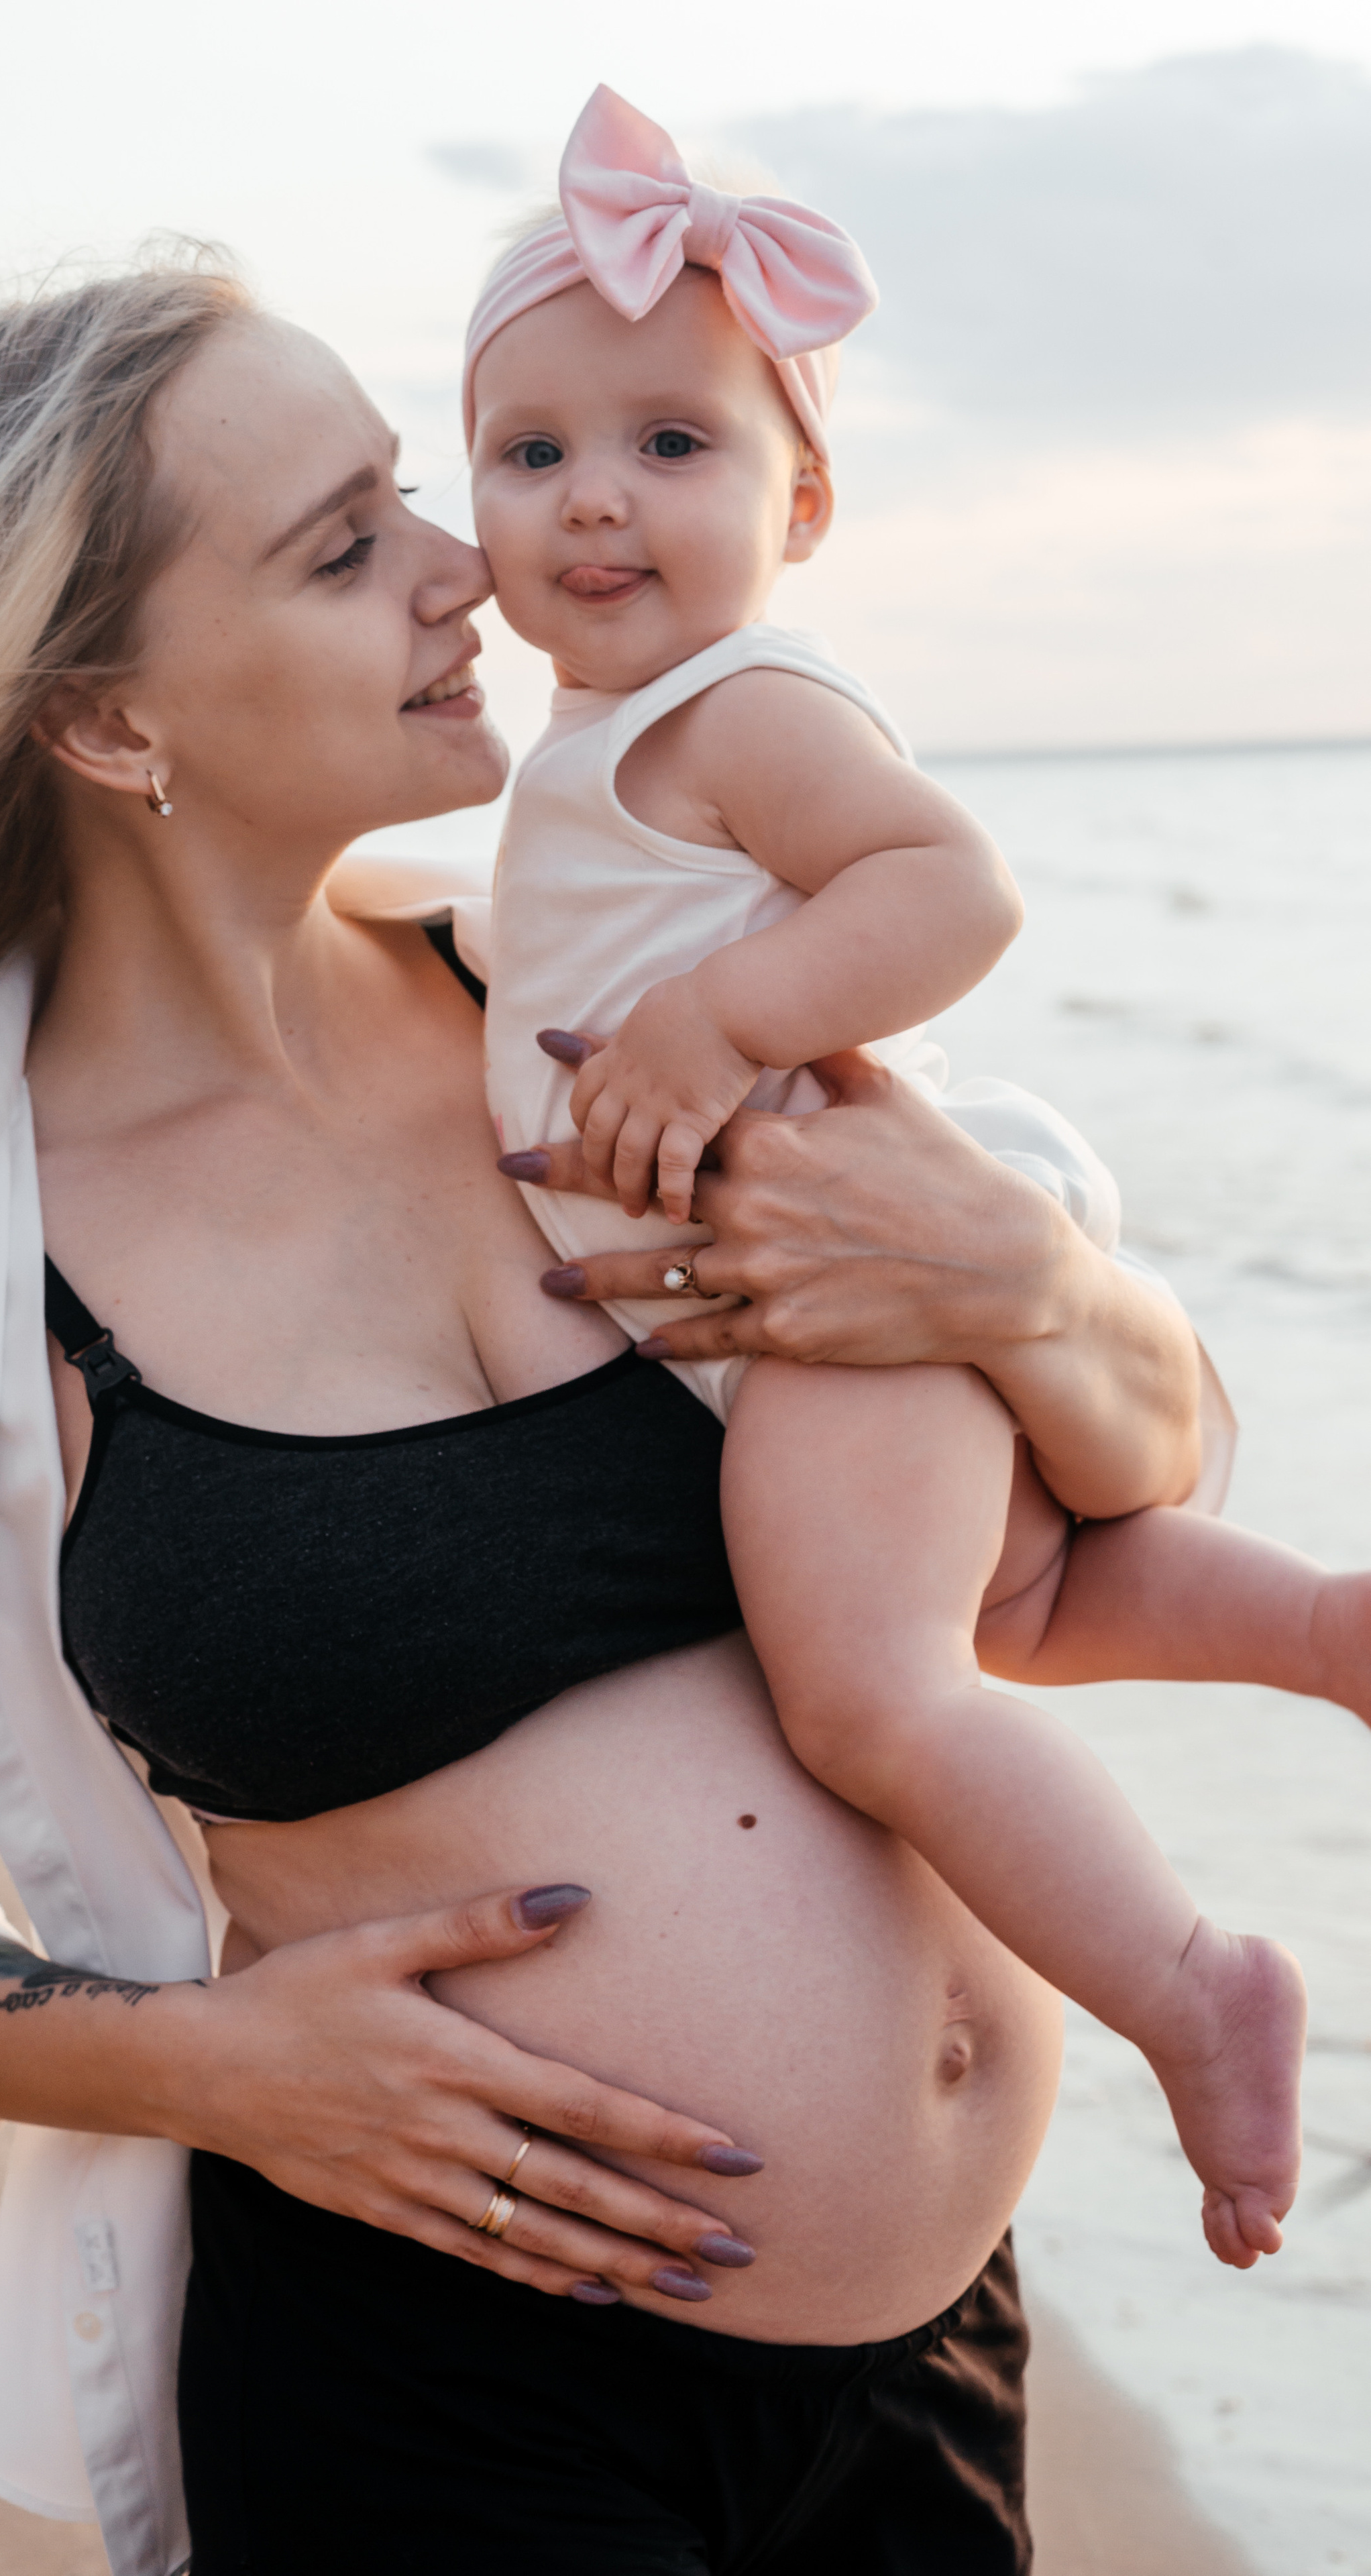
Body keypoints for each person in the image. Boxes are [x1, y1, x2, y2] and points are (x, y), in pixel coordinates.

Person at [0, 248, 1223, 2576]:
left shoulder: (619, 999)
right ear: (106, 721)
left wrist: (1035, 1280)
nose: (463, 568)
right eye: (339, 546)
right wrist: (215, 2070)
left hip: (930, 2369)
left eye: (411, 492)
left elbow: (1125, 1478)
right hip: (448, 2400)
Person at [472, 85, 1347, 2273]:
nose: (597, 500)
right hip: (832, 1277)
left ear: (810, 501)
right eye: (535, 449)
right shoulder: (612, 749)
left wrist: (721, 1026)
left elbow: (951, 888)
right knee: (1020, 1609)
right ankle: (1336, 1631)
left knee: (873, 1695)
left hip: (853, 1235)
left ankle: (1184, 1981)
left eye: (677, 445)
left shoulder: (727, 708)